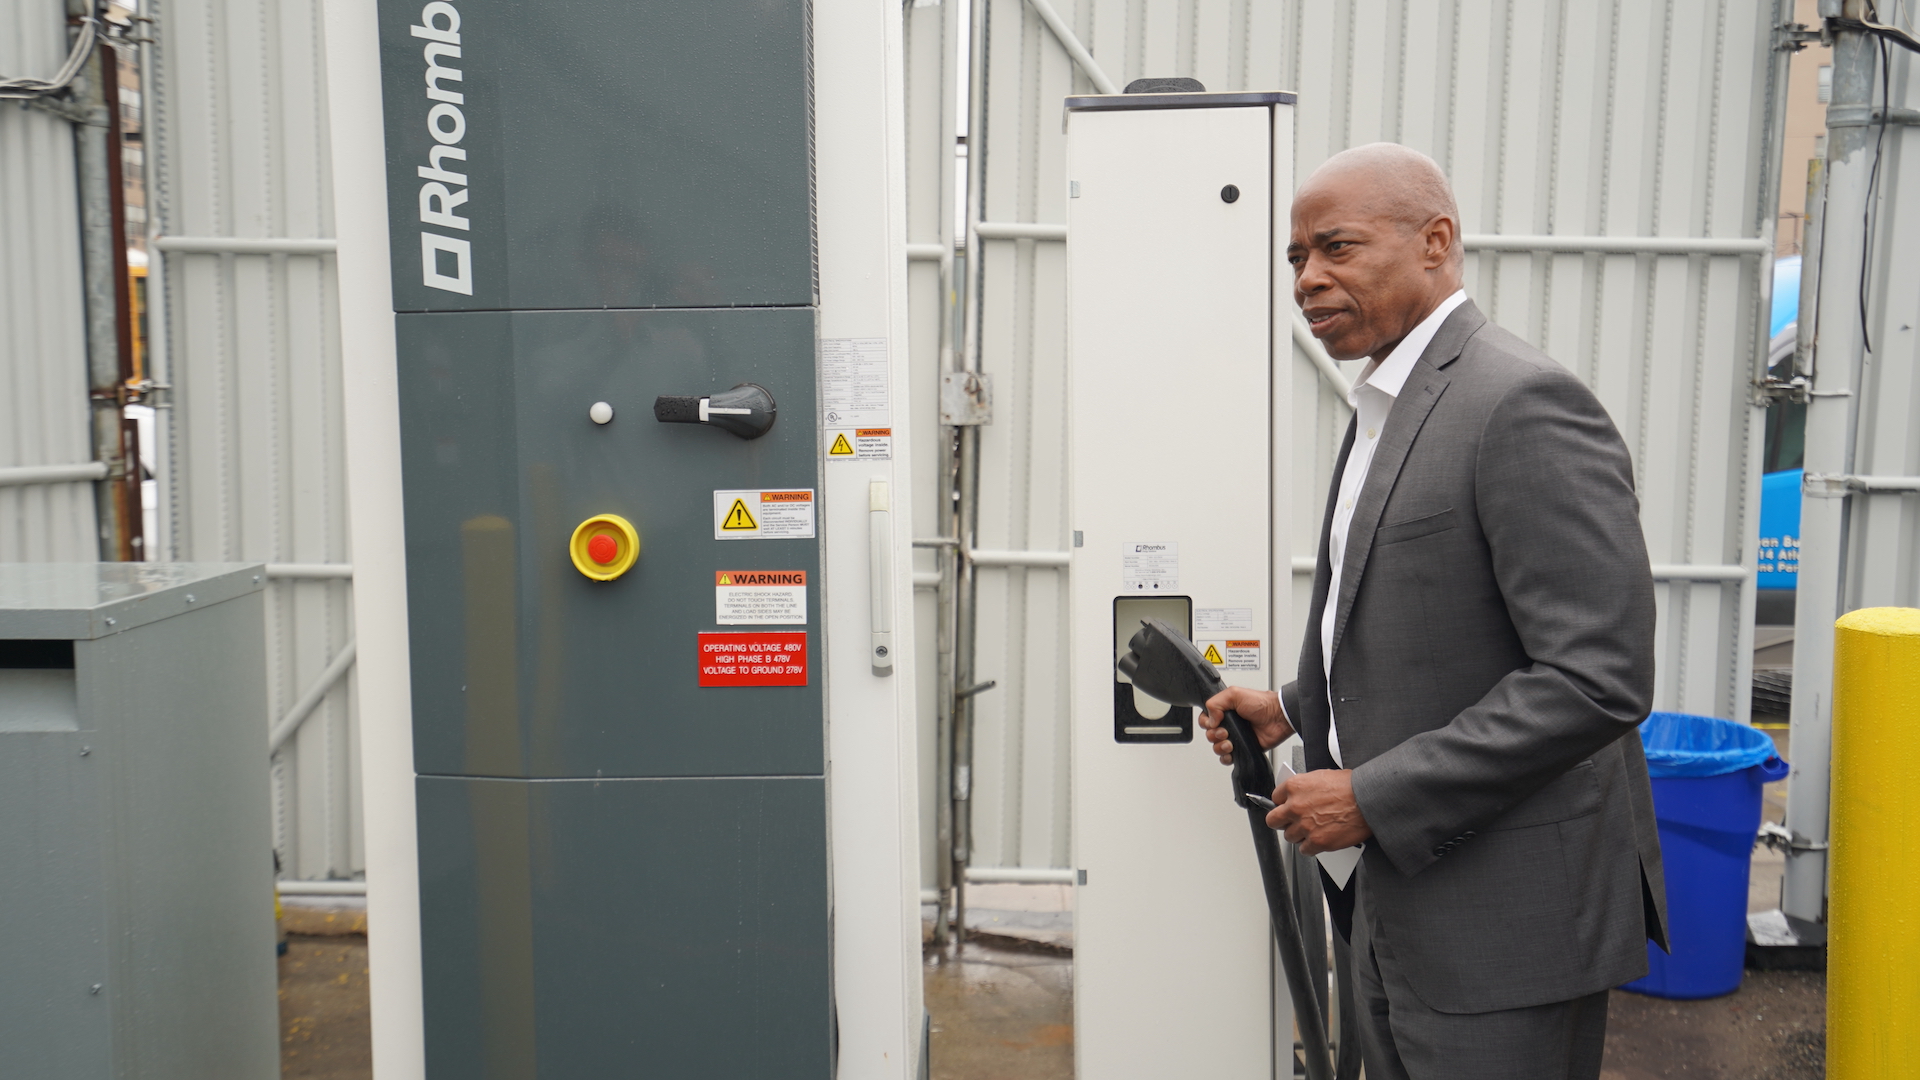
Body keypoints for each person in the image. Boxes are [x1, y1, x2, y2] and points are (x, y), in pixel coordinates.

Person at [1201, 143, 1666, 1080]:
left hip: (1505, 930)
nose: (1308, 278)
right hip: (1400, 908)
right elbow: (1424, 619)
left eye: (1336, 247)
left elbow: (1596, 678)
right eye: (1296, 257)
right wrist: (1297, 706)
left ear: (1436, 242)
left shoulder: (1520, 404)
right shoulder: (1389, 402)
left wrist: (1371, 796)